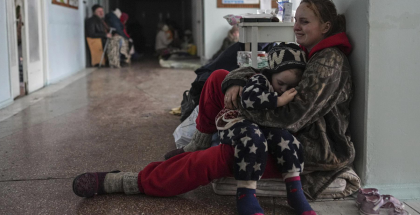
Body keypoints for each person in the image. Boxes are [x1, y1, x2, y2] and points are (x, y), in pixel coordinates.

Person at [73, 0, 359, 214]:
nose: (297, 26)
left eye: (305, 21)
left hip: (307, 146)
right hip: (275, 122)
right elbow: (263, 66)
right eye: (296, 19)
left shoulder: (329, 62)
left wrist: (239, 109)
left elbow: (293, 117)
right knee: (218, 78)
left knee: (214, 158)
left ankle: (129, 182)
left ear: (326, 27)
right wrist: (236, 81)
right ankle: (194, 144)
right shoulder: (306, 51)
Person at [214, 43, 314, 215]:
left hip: (263, 125)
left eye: (289, 87)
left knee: (287, 139)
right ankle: (246, 194)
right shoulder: (259, 79)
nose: (283, 90)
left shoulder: (284, 86)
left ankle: (295, 191)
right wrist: (279, 100)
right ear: (271, 73)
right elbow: (248, 99)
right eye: (280, 83)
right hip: (236, 121)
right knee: (253, 138)